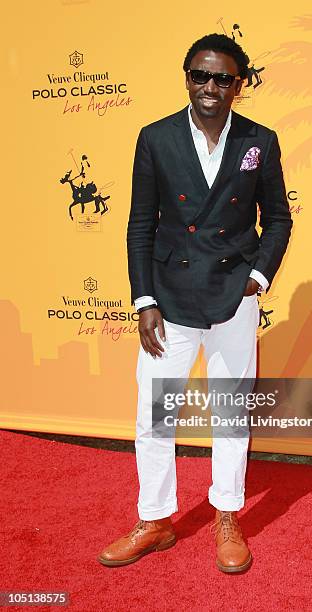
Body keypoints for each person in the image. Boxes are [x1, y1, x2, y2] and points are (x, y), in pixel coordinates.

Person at [97, 33, 292, 573]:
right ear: (187, 77)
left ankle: (227, 513)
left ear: (240, 85)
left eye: (223, 78)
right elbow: (141, 224)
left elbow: (278, 218)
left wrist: (257, 277)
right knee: (154, 415)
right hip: (171, 300)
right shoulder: (155, 137)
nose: (210, 87)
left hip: (235, 295)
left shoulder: (261, 140)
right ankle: (156, 519)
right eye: (200, 75)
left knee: (230, 413)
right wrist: (143, 298)